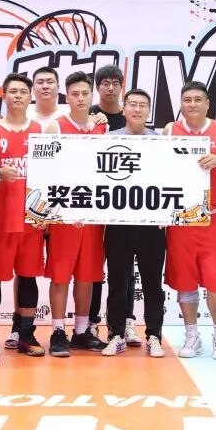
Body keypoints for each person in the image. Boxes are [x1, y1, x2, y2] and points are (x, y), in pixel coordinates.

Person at [0, 73, 54, 357]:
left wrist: (46, 213)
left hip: (31, 218)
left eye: (23, 91)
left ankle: (26, 334)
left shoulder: (42, 131)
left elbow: (50, 176)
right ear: (4, 96)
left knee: (28, 277)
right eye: (13, 91)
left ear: (30, 96)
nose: (18, 95)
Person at [163, 81, 216, 359]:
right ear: (181, 104)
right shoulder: (170, 130)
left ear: (207, 104)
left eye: (197, 100)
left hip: (211, 218)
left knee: (214, 280)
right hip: (180, 220)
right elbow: (158, 171)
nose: (192, 104)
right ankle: (192, 335)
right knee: (185, 281)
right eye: (187, 100)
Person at [44, 71, 108, 357]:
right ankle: (58, 331)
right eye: (75, 94)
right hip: (65, 214)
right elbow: (45, 173)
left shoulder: (102, 128)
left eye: (85, 93)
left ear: (92, 95)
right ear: (66, 96)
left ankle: (81, 331)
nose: (80, 98)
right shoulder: (55, 128)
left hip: (94, 214)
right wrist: (48, 213)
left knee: (87, 276)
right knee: (61, 276)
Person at [101, 89, 168, 358]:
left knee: (152, 283)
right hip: (118, 224)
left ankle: (154, 336)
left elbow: (169, 180)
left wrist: (166, 213)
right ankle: (116, 335)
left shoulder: (161, 142)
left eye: (142, 105)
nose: (137, 109)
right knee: (117, 281)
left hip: (152, 225)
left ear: (149, 110)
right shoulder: (109, 139)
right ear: (124, 108)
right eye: (132, 104)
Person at [88, 63, 138, 342]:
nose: (110, 88)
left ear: (121, 86)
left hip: (127, 207)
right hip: (95, 204)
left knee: (125, 270)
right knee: (94, 268)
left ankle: (127, 321)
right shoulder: (88, 115)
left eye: (115, 83)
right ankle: (92, 322)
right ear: (98, 87)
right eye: (105, 83)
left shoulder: (130, 115)